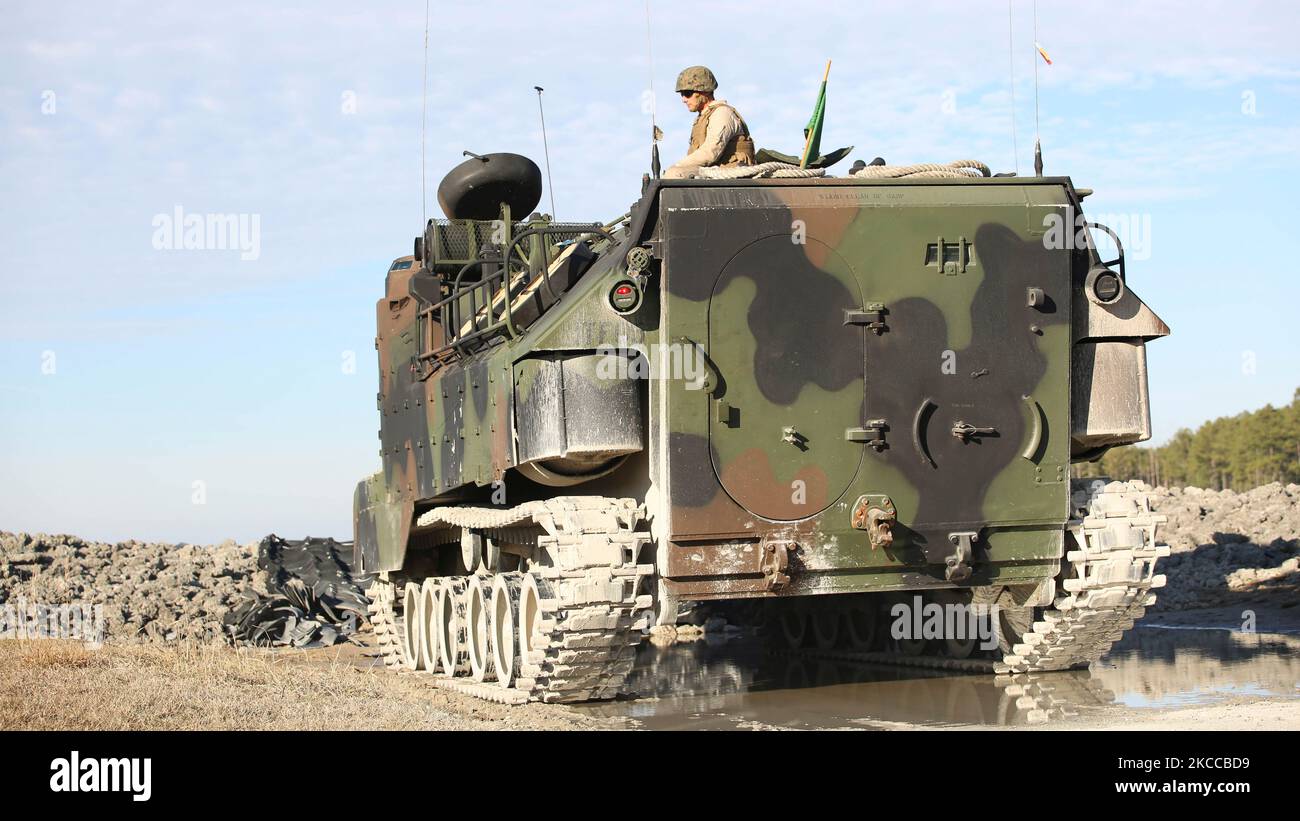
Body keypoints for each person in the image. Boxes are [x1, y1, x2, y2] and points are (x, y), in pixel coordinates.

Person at [662, 66, 755, 179]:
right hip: (716, 174)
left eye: (687, 93)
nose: (684, 99)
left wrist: (677, 166)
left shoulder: (722, 113)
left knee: (674, 174)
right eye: (682, 94)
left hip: (733, 175)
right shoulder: (702, 118)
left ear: (704, 92)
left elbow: (710, 152)